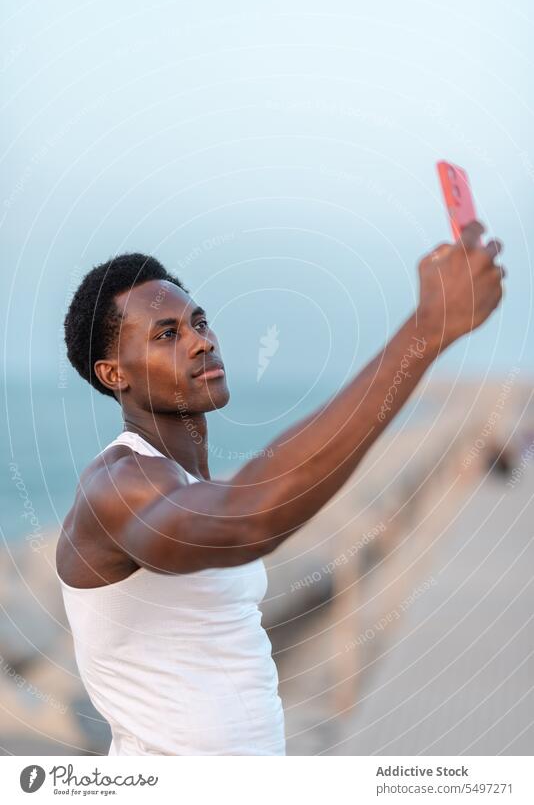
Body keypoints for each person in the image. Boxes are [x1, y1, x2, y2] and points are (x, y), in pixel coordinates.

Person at [56, 221, 504, 756]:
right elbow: (249, 517)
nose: (201, 340)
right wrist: (428, 328)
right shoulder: (117, 486)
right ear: (113, 375)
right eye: (167, 334)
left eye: (199, 321)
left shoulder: (185, 482)